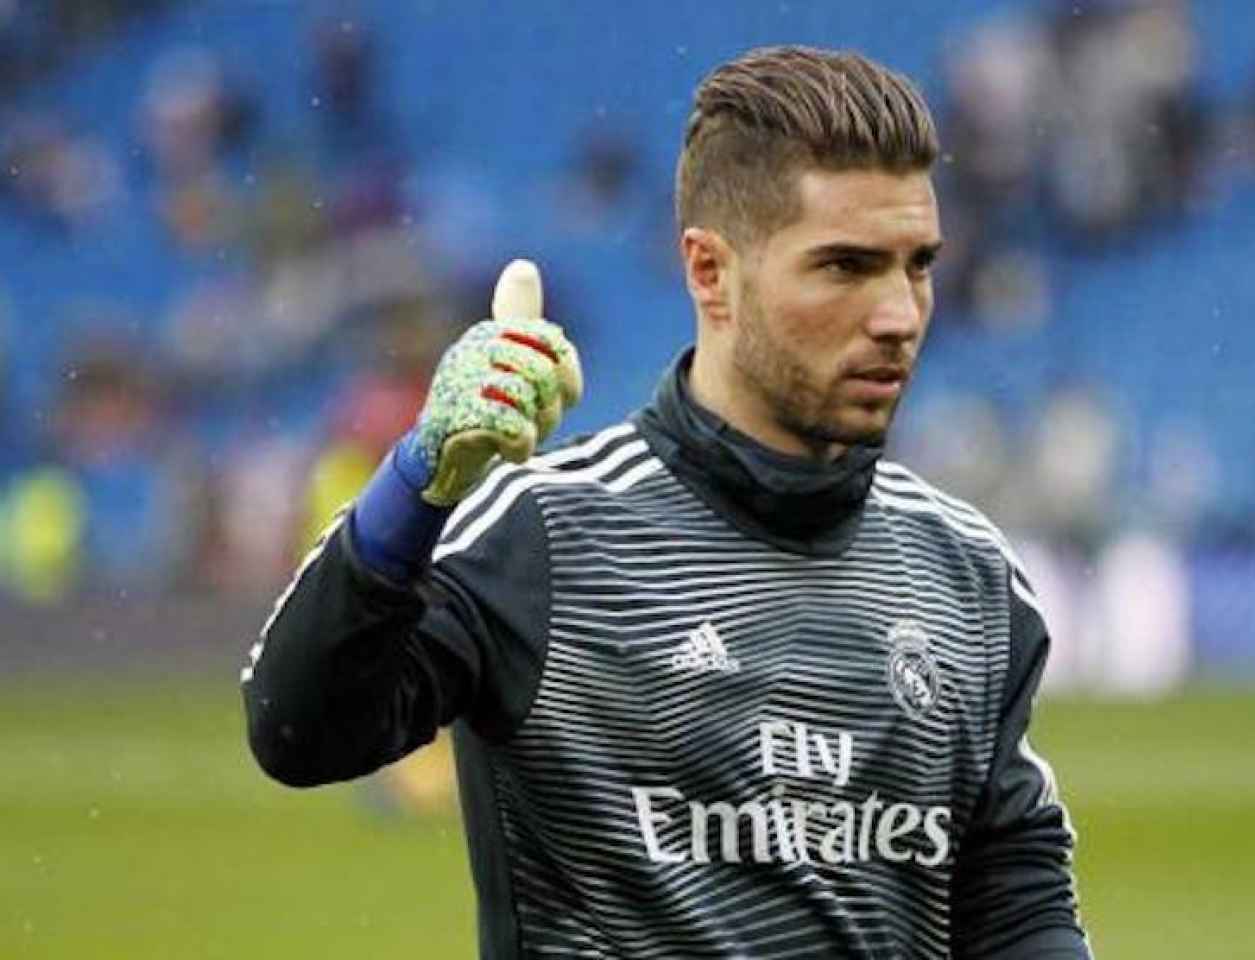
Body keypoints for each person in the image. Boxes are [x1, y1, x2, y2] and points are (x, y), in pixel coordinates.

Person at [241, 46, 1090, 959]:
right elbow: (300, 731)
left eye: (916, 264)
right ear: (710, 272)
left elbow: (1014, 899)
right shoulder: (543, 536)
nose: (900, 313)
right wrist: (418, 479)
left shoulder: (965, 573)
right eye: (846, 266)